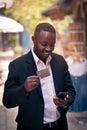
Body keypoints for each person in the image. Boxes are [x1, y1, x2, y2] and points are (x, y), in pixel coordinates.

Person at [2, 22, 76, 130]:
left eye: (52, 45)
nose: (48, 49)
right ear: (33, 39)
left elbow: (70, 90)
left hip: (59, 126)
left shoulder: (59, 61)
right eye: (44, 44)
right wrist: (24, 89)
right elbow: (7, 101)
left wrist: (65, 100)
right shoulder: (18, 66)